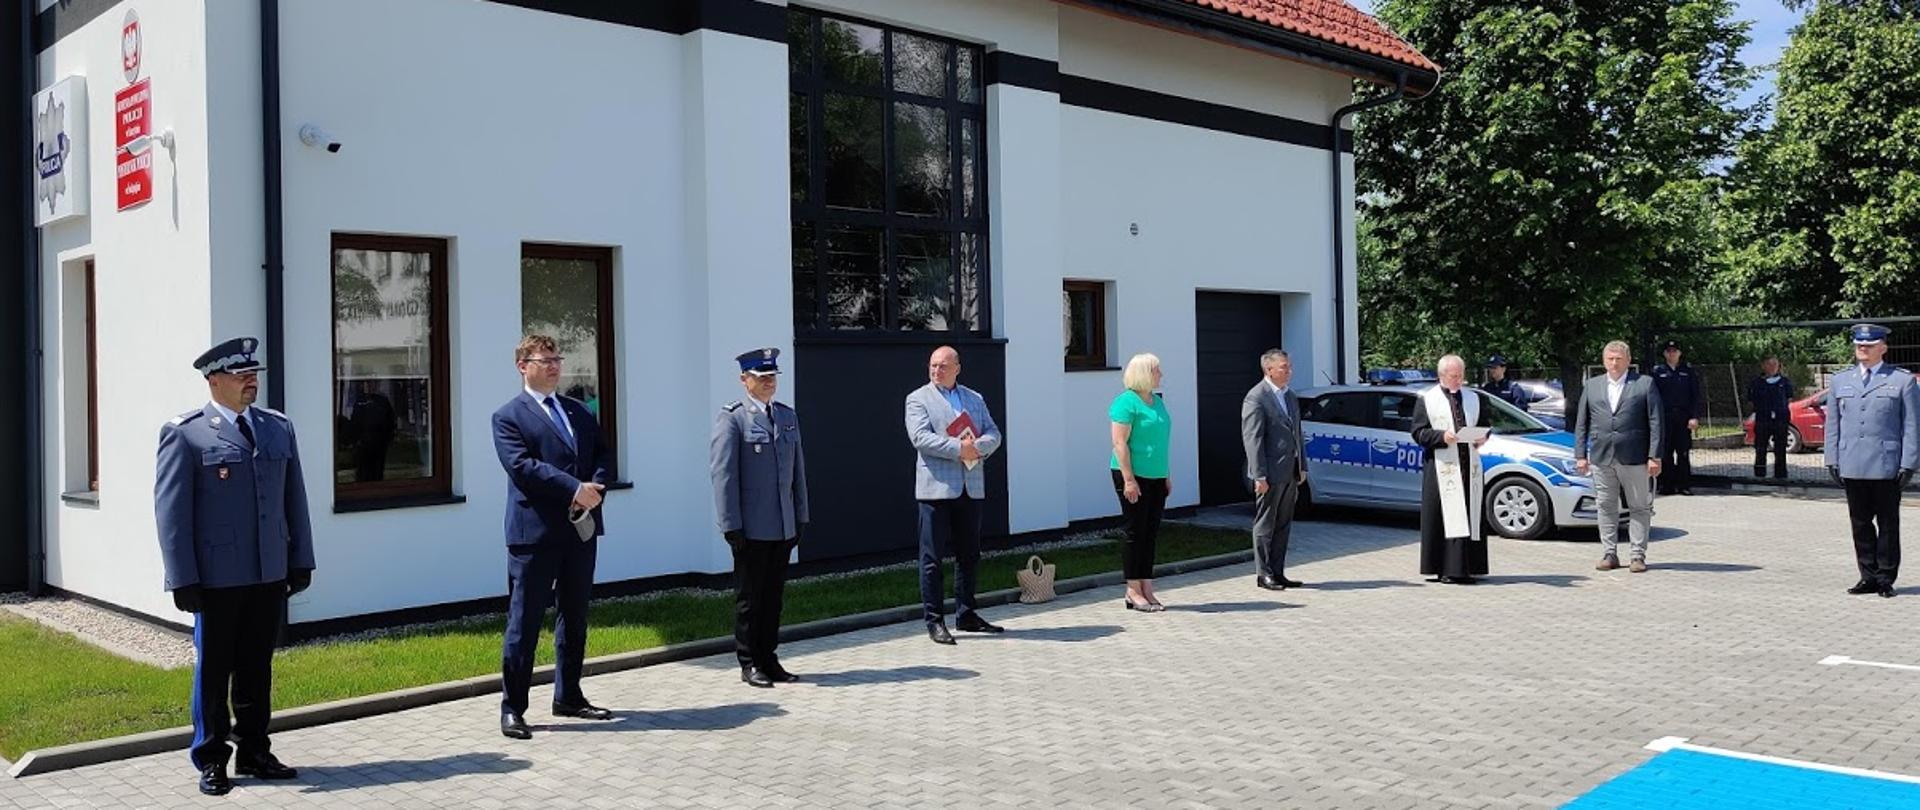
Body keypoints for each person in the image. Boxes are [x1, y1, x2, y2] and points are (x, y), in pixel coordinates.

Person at [154, 337, 314, 796]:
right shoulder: (186, 434)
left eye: (253, 374)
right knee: (214, 669)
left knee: (256, 667)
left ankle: (255, 750)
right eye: (240, 374)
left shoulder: (277, 428)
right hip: (217, 577)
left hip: (267, 572)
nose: (250, 381)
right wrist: (182, 577)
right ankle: (210, 757)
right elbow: (172, 514)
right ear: (213, 380)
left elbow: (294, 498)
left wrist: (300, 558)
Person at [492, 335, 615, 739]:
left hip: (580, 530)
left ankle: (569, 696)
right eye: (544, 360)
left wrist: (595, 488)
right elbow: (522, 467)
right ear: (522, 366)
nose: (554, 366)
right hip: (534, 535)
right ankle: (513, 708)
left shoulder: (578, 410)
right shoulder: (508, 417)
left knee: (575, 616)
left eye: (557, 359)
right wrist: (573, 488)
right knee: (524, 622)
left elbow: (602, 453)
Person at [712, 347, 810, 684]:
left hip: (782, 525)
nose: (769, 382)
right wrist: (730, 525)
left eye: (772, 377)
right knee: (750, 600)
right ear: (744, 380)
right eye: (761, 377)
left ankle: (769, 659)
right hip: (751, 528)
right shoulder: (733, 419)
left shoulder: (786, 416)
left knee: (773, 599)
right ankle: (749, 661)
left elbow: (797, 471)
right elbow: (724, 476)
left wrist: (801, 515)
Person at [905, 346, 1005, 644]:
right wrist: (960, 449)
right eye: (933, 365)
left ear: (957, 368)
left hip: (970, 486)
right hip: (936, 489)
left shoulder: (974, 398)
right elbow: (920, 437)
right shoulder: (917, 398)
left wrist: (978, 448)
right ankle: (935, 621)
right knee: (932, 558)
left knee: (969, 554)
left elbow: (993, 433)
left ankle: (966, 614)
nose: (936, 370)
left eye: (943, 366)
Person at [1825, 323, 1920, 598]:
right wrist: (1832, 458)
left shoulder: (1901, 381)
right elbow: (1833, 425)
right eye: (1859, 344)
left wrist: (1909, 463)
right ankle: (1867, 575)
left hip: (1886, 464)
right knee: (1860, 523)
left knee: (1888, 524)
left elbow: (1912, 425)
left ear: (1883, 348)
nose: (1862, 348)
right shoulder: (1840, 381)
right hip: (1852, 462)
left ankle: (1885, 578)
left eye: (1868, 345)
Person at [1574, 341, 1664, 573]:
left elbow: (1656, 421)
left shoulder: (1644, 384)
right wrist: (1580, 455)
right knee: (1605, 506)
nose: (1614, 363)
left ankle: (1637, 555)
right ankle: (1609, 553)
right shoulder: (1592, 385)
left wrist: (1654, 456)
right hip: (1602, 456)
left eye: (1619, 359)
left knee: (1639, 506)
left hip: (1635, 456)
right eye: (1610, 359)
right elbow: (1582, 423)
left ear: (1628, 360)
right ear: (1604, 361)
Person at [1410, 355, 1493, 584]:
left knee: (1470, 515)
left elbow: (1485, 425)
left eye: (1461, 375)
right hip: (1441, 467)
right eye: (1454, 376)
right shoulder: (1428, 400)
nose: (1458, 380)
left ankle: (1469, 567)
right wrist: (1441, 436)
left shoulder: (1473, 398)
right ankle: (1447, 569)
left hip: (1468, 466)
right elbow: (1418, 432)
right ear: (1442, 376)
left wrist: (1483, 437)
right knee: (1446, 517)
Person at [1110, 353, 1172, 610]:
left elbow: (1160, 442)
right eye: (1157, 370)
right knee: (1135, 532)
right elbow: (1119, 443)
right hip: (1133, 475)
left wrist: (1166, 474)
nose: (1161, 374)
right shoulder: (1125, 403)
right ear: (1144, 373)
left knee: (1151, 532)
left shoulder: (1157, 402)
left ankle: (1147, 586)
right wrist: (1129, 479)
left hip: (1157, 475)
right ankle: (1133, 589)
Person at [1241, 349, 1305, 591]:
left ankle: (1278, 572)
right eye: (1284, 367)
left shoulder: (1290, 396)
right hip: (1269, 472)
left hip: (1290, 470)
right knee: (1265, 524)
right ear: (1269, 370)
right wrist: (1259, 475)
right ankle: (1264, 574)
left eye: (1289, 367)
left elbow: (1297, 433)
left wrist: (1302, 465)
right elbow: (1253, 439)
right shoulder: (1256, 397)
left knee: (1283, 523)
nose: (1289, 371)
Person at [1650, 340, 1703, 495]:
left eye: (1674, 351)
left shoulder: (1688, 371)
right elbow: (1652, 396)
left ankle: (1684, 485)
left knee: (1683, 452)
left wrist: (1694, 417)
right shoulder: (1657, 372)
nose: (1672, 354)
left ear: (1679, 353)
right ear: (1665, 354)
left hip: (1683, 417)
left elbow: (1695, 396)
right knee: (1666, 452)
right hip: (1664, 417)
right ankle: (1666, 485)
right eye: (1669, 351)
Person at [1748, 356, 1794, 479]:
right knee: (1760, 448)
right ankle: (1759, 474)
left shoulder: (1785, 382)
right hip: (1763, 419)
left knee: (1780, 449)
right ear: (1763, 366)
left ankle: (1780, 475)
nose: (1773, 367)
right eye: (1769, 364)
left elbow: (1789, 398)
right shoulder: (1756, 383)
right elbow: (1751, 401)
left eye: (1775, 364)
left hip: (1780, 420)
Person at [346, 383, 396, 482]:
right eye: (366, 384)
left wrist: (387, 440)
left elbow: (390, 422)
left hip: (378, 444)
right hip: (363, 445)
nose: (369, 386)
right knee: (362, 472)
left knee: (376, 472)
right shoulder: (360, 401)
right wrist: (355, 440)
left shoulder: (382, 401)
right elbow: (354, 422)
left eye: (371, 384)